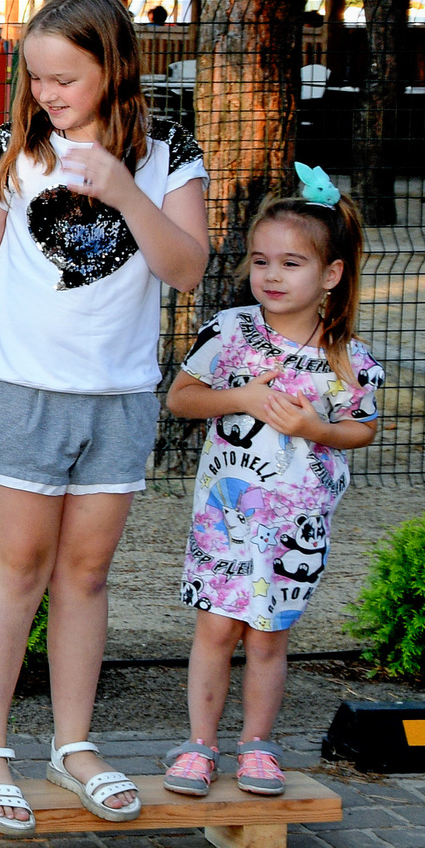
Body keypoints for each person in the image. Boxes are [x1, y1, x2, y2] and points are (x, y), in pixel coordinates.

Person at [0, 0, 210, 835]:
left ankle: (74, 743)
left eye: (64, 77)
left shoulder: (169, 155)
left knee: (85, 574)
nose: (47, 94)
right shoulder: (8, 154)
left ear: (112, 66)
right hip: (21, 389)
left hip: (120, 398)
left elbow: (188, 269)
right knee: (17, 566)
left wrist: (127, 189)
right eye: (36, 78)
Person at [162, 169, 380, 798]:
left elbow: (362, 429)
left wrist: (318, 428)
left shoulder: (349, 359)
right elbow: (181, 398)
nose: (272, 276)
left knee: (267, 636)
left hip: (296, 525)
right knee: (216, 629)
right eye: (261, 261)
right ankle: (199, 745)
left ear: (331, 275)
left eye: (291, 263)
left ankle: (257, 745)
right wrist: (244, 397)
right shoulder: (230, 333)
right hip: (225, 519)